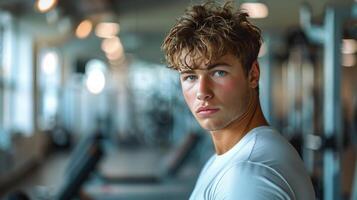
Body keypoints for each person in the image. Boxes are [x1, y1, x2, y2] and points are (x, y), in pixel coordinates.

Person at [161, 1, 315, 199]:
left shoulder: (248, 174)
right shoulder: (230, 159)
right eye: (190, 77)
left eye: (218, 72)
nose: (202, 92)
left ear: (253, 75)